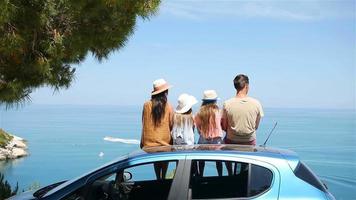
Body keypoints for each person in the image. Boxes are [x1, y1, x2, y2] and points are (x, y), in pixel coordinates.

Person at [221, 74, 264, 175]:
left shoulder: (227, 103)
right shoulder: (256, 103)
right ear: (246, 86)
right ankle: (243, 174)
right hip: (249, 141)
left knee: (223, 143)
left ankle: (230, 173)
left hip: (231, 141)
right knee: (245, 167)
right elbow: (256, 126)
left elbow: (224, 126)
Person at [141, 78, 173, 180]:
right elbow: (171, 124)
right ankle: (163, 178)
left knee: (156, 161)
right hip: (165, 144)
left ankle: (158, 178)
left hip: (149, 145)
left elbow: (144, 123)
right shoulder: (168, 106)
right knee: (164, 156)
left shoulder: (146, 105)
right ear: (165, 92)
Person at [194, 90, 224, 176]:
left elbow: (198, 128)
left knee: (201, 160)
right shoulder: (218, 111)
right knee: (219, 161)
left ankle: (201, 175)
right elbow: (221, 124)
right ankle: (220, 176)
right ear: (215, 101)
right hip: (216, 140)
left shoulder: (199, 113)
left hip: (203, 139)